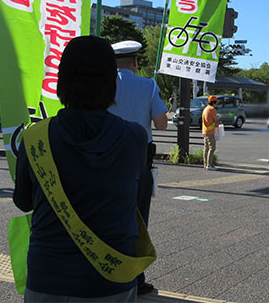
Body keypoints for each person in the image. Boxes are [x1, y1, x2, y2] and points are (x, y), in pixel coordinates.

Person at [13, 36, 147, 302]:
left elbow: (23, 202)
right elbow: (136, 195)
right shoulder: (135, 137)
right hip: (113, 278)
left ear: (61, 82)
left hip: (47, 278)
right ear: (111, 83)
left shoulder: (34, 138)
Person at [108, 40, 168, 295]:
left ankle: (108, 272)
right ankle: (135, 278)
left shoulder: (103, 85)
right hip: (138, 159)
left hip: (104, 158)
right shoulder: (148, 85)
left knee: (106, 213)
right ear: (135, 62)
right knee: (137, 218)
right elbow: (162, 124)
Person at [202, 95, 219, 170]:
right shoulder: (212, 110)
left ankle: (205, 164)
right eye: (216, 102)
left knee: (206, 148)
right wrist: (218, 125)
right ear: (213, 102)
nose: (217, 104)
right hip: (210, 131)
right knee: (212, 148)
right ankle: (209, 165)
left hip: (205, 131)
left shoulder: (205, 109)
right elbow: (216, 121)